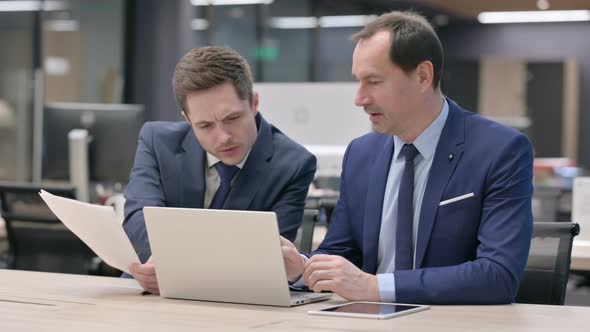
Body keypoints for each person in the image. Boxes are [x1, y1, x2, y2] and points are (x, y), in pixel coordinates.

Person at [281, 11, 533, 304]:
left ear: (423, 76)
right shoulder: (362, 154)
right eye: (358, 82)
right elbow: (341, 251)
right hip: (368, 321)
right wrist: (303, 268)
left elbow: (497, 276)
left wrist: (374, 287)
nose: (359, 98)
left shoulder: (500, 150)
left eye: (373, 82)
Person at [124, 46, 316, 294]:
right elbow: (139, 219)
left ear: (254, 102)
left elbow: (265, 256)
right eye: (205, 125)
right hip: (149, 288)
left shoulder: (293, 164)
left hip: (234, 298)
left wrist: (178, 268)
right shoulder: (156, 141)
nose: (223, 137)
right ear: (187, 120)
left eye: (232, 118)